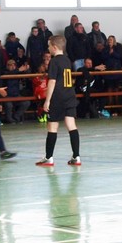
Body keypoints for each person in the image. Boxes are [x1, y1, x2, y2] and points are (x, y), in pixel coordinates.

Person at [36, 35, 81, 167]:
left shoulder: (54, 61)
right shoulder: (67, 60)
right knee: (71, 125)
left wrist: (47, 100)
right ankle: (76, 156)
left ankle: (49, 157)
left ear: (54, 47)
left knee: (52, 127)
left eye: (49, 46)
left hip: (58, 97)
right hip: (69, 95)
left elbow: (52, 81)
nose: (48, 48)